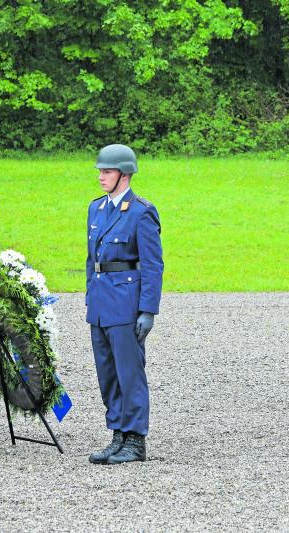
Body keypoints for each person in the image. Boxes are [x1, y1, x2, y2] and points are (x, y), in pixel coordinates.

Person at [86, 144, 163, 465]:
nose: (102, 177)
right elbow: (92, 260)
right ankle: (117, 433)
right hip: (102, 303)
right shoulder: (96, 209)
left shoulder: (141, 212)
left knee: (129, 373)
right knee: (107, 373)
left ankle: (135, 440)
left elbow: (152, 264)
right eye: (101, 171)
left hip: (126, 303)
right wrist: (90, 299)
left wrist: (148, 310)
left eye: (108, 171)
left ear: (125, 174)